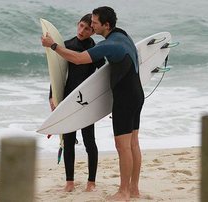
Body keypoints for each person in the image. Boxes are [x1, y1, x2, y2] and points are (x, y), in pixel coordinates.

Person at [41, 6, 144, 201]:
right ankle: (134, 189)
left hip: (124, 99)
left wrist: (54, 46)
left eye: (95, 23)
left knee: (123, 147)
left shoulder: (109, 45)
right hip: (137, 94)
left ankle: (123, 192)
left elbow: (79, 59)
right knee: (133, 144)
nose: (92, 26)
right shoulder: (123, 36)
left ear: (106, 25)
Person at [48, 14, 105, 192]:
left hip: (86, 101)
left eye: (87, 28)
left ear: (93, 31)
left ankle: (91, 181)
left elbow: (102, 76)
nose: (82, 31)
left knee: (89, 141)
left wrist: (104, 101)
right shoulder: (66, 46)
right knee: (69, 141)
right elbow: (57, 72)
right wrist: (52, 96)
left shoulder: (95, 50)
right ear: (77, 24)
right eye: (80, 26)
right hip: (68, 99)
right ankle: (69, 182)